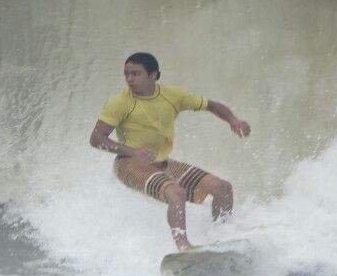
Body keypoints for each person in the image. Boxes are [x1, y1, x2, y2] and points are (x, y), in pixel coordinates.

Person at [89, 52, 251, 251]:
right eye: (126, 74)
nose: (129, 79)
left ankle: (222, 235)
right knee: (176, 192)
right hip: (128, 164)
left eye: (135, 74)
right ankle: (183, 246)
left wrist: (233, 121)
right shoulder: (119, 103)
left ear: (154, 75)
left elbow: (212, 106)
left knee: (223, 188)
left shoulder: (173, 96)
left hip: (163, 164)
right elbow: (96, 139)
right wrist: (132, 151)